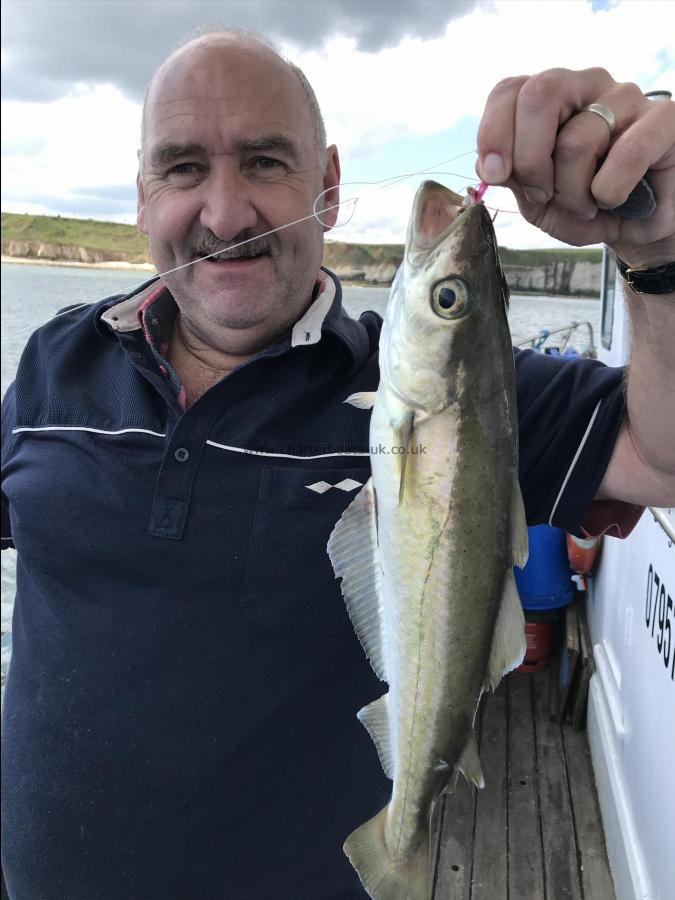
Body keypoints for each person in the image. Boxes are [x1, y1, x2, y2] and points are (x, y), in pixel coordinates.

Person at [1, 26, 673, 900]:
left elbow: (660, 459)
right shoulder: (56, 360)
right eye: (182, 168)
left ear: (326, 188)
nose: (226, 212)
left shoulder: (474, 401)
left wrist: (657, 256)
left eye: (266, 161)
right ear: (140, 197)